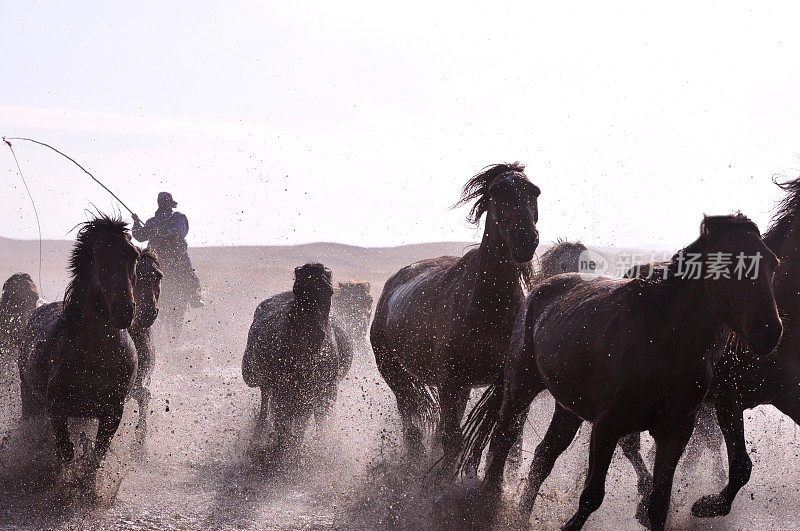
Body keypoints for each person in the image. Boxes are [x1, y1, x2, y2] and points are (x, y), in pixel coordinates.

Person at [132, 192, 204, 308]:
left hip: (176, 255)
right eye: (161, 200)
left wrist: (162, 234)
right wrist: (136, 223)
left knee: (188, 271)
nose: (163, 203)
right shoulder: (151, 222)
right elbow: (140, 236)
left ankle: (195, 296)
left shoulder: (179, 217)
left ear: (170, 202)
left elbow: (180, 231)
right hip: (155, 257)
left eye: (165, 200)